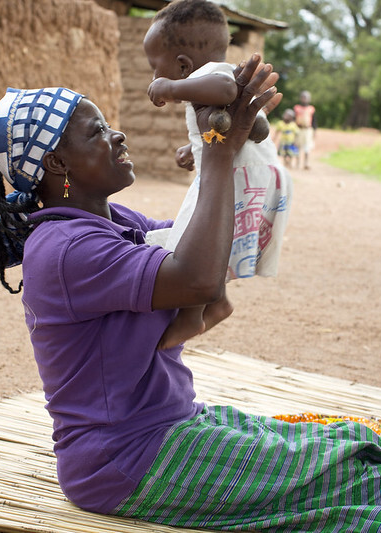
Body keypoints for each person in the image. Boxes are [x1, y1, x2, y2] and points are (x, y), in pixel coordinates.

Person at [0, 57, 381, 532]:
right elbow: (198, 277)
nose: (118, 135)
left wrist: (228, 140)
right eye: (96, 131)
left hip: (163, 427)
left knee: (340, 442)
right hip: (126, 461)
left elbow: (210, 253)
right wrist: (217, 153)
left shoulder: (105, 223)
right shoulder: (64, 250)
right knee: (330, 481)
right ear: (56, 166)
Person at [142, 0, 292, 350]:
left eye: (155, 68)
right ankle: (217, 302)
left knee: (191, 241)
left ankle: (191, 317)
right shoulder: (205, 79)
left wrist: (170, 88)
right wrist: (191, 151)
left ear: (182, 65)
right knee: (214, 242)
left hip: (241, 175)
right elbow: (216, 131)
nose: (154, 78)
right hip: (249, 171)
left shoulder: (209, 75)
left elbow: (226, 91)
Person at [294, 89, 317, 170]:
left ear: (309, 99)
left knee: (307, 147)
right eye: (303, 97)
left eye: (306, 97)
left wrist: (315, 131)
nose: (304, 99)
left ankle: (306, 163)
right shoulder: (297, 108)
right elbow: (294, 119)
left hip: (307, 130)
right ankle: (297, 163)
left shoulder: (311, 109)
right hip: (298, 129)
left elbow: (314, 121)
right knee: (297, 146)